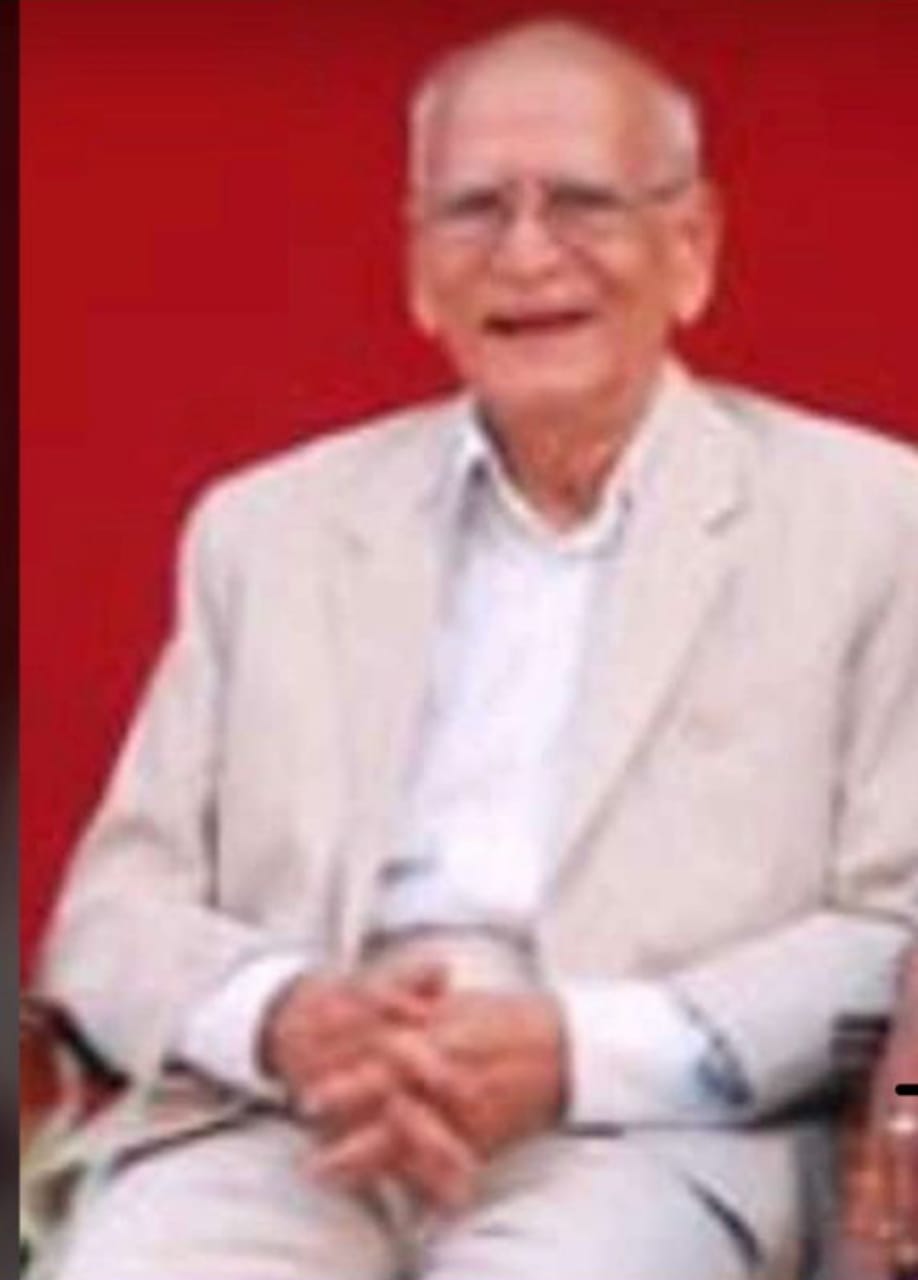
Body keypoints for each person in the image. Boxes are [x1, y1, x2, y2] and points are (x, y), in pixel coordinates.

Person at [33, 16, 918, 1280]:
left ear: (691, 246)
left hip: (643, 1137)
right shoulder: (267, 528)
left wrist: (574, 1048)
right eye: (474, 209)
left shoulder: (875, 521)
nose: (527, 252)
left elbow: (895, 921)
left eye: (583, 202)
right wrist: (285, 1015)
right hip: (291, 1124)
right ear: (417, 269)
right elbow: (113, 914)